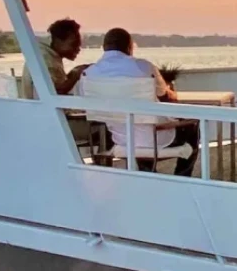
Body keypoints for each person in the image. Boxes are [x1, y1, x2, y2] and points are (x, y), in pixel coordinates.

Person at [79, 27, 199, 176]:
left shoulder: (89, 73)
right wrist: (170, 89)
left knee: (140, 126)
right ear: (130, 47)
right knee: (193, 125)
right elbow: (168, 99)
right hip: (157, 139)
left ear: (104, 48)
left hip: (121, 140)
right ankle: (182, 177)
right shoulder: (143, 67)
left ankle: (148, 173)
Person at [21, 18, 87, 99]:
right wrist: (76, 75)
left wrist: (74, 73)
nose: (78, 49)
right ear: (58, 40)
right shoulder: (44, 59)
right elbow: (54, 92)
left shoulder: (48, 55)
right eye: (74, 44)